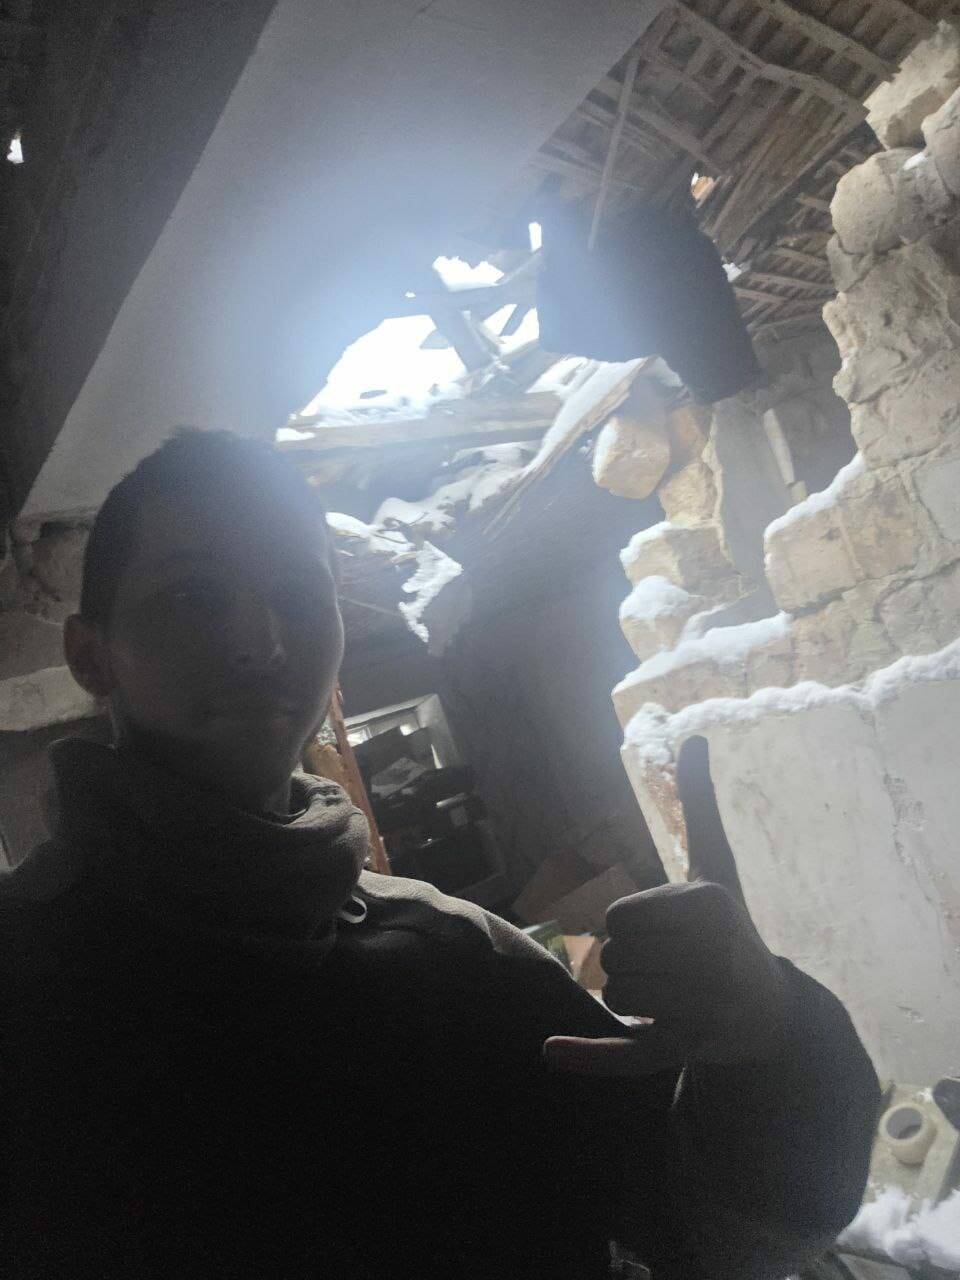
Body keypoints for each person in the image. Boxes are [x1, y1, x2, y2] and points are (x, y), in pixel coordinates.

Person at [1, 430, 879, 1280]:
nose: (261, 643)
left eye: (300, 598)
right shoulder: (25, 981)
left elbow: (720, 1236)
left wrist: (771, 1042)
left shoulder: (458, 956)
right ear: (90, 657)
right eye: (194, 597)